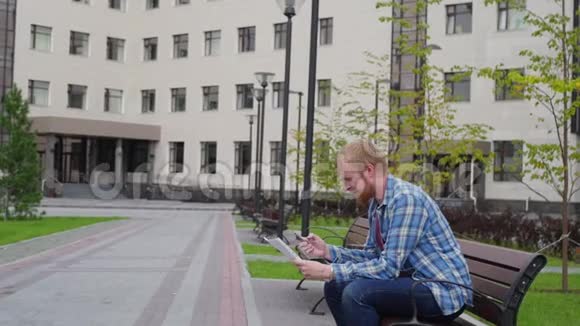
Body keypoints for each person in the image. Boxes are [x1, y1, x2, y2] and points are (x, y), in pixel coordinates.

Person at [294, 140, 471, 326]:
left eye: (348, 178)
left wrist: (327, 270)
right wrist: (327, 252)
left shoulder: (405, 200)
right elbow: (372, 256)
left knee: (357, 294)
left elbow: (387, 268)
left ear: (369, 171)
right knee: (335, 286)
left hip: (441, 290)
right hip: (413, 280)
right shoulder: (377, 204)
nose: (345, 187)